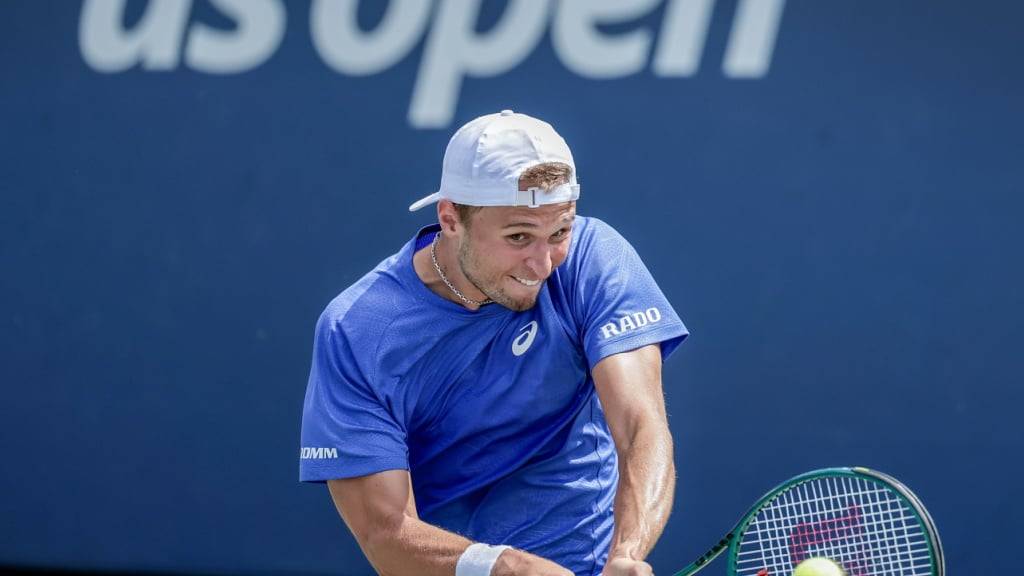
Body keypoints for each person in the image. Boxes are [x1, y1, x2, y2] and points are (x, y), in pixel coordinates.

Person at [300, 110, 688, 576]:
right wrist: (505, 567)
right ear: (450, 218)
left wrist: (626, 553)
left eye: (560, 232)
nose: (543, 264)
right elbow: (384, 531)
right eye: (519, 236)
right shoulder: (357, 329)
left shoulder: (594, 258)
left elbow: (641, 427)